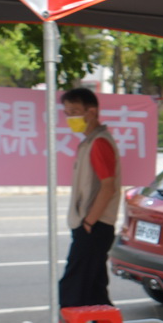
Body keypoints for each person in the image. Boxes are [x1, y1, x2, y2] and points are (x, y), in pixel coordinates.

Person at [59, 87, 120, 309]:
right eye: (67, 112)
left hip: (93, 227)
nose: (70, 117)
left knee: (71, 290)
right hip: (91, 226)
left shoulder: (99, 143)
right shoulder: (89, 142)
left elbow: (108, 187)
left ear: (91, 111)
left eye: (75, 111)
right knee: (95, 294)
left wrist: (88, 222)